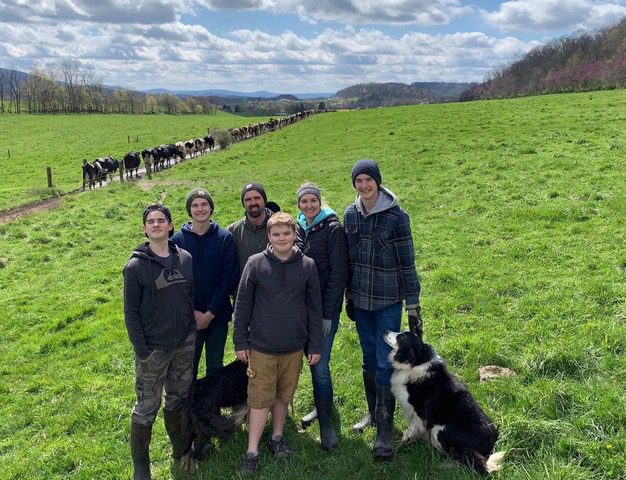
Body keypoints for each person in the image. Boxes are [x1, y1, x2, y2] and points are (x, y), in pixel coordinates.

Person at [233, 212, 323, 475]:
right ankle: (252, 451)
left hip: (293, 347)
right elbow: (242, 305)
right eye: (276, 234)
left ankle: (277, 437)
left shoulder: (307, 265)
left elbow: (314, 309)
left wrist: (314, 345)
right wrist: (241, 340)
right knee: (260, 399)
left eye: (287, 233)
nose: (282, 238)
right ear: (269, 237)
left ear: (295, 235)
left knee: (283, 395)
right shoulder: (255, 263)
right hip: (261, 347)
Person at [344, 159, 422, 459]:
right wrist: (349, 296)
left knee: (382, 362)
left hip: (388, 301)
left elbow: (407, 262)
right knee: (366, 359)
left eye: (368, 180)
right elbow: (349, 260)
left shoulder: (396, 217)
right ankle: (374, 415)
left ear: (377, 181)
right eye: (358, 181)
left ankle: (385, 430)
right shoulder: (351, 214)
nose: (364, 186)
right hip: (361, 303)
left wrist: (413, 305)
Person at [123, 204, 196, 479]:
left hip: (183, 346)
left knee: (177, 400)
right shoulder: (136, 266)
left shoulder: (185, 259)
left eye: (161, 220)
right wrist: (142, 352)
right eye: (151, 221)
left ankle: (180, 450)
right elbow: (130, 313)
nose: (156, 224)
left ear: (170, 226)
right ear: (144, 228)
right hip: (153, 351)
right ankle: (141, 465)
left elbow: (190, 296)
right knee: (146, 408)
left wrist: (190, 332)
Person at [295, 182, 348, 451]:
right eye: (304, 202)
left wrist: (329, 314)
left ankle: (326, 423)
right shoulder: (298, 229)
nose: (309, 206)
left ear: (320, 201)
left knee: (320, 363)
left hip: (323, 312)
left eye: (313, 201)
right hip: (300, 311)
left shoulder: (332, 229)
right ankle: (321, 406)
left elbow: (339, 274)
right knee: (310, 362)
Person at [171, 188, 239, 379]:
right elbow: (176, 281)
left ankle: (211, 409)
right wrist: (192, 312)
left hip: (217, 315)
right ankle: (187, 408)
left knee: (215, 369)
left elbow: (228, 278)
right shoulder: (177, 241)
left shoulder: (225, 238)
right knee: (187, 369)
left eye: (204, 204)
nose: (200, 209)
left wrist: (210, 313)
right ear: (189, 210)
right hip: (188, 318)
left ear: (211, 208)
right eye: (195, 205)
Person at [227, 182, 274, 278]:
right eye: (248, 199)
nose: (253, 203)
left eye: (257, 198)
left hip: (272, 290)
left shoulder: (279, 227)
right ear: (243, 203)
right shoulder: (233, 231)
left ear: (264, 200)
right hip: (243, 290)